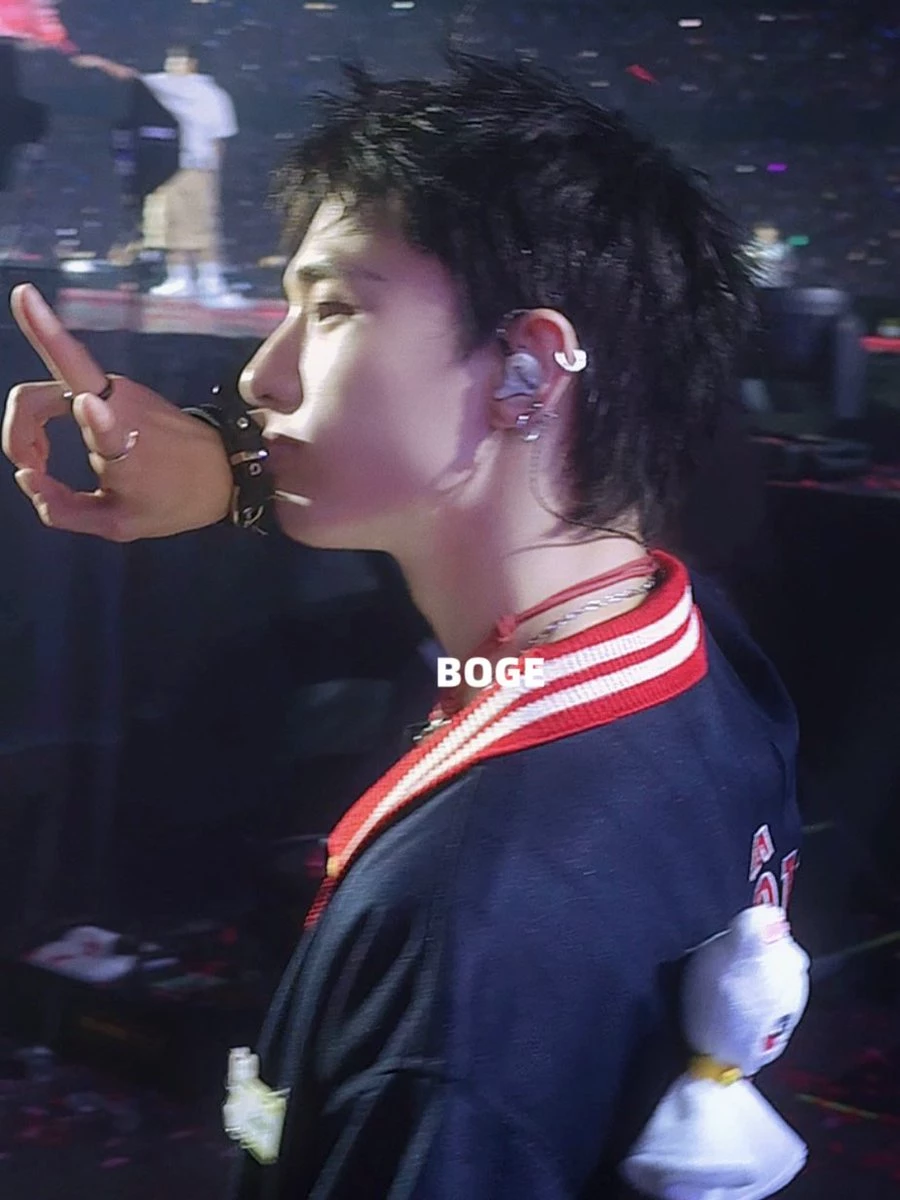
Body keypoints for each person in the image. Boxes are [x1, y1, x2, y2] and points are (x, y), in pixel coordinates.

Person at [2, 57, 802, 1198]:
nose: (261, 375)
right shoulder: (698, 656)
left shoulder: (457, 916)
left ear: (528, 370)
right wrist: (241, 476)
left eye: (331, 308)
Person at [73, 43, 245, 307]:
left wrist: (212, 171)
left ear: (193, 64)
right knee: (168, 225)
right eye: (170, 60)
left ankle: (212, 283)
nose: (171, 65)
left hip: (195, 166)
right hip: (168, 165)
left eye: (178, 60)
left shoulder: (209, 94)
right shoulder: (169, 87)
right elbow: (130, 76)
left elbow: (219, 139)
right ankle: (180, 279)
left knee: (200, 226)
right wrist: (100, 63)